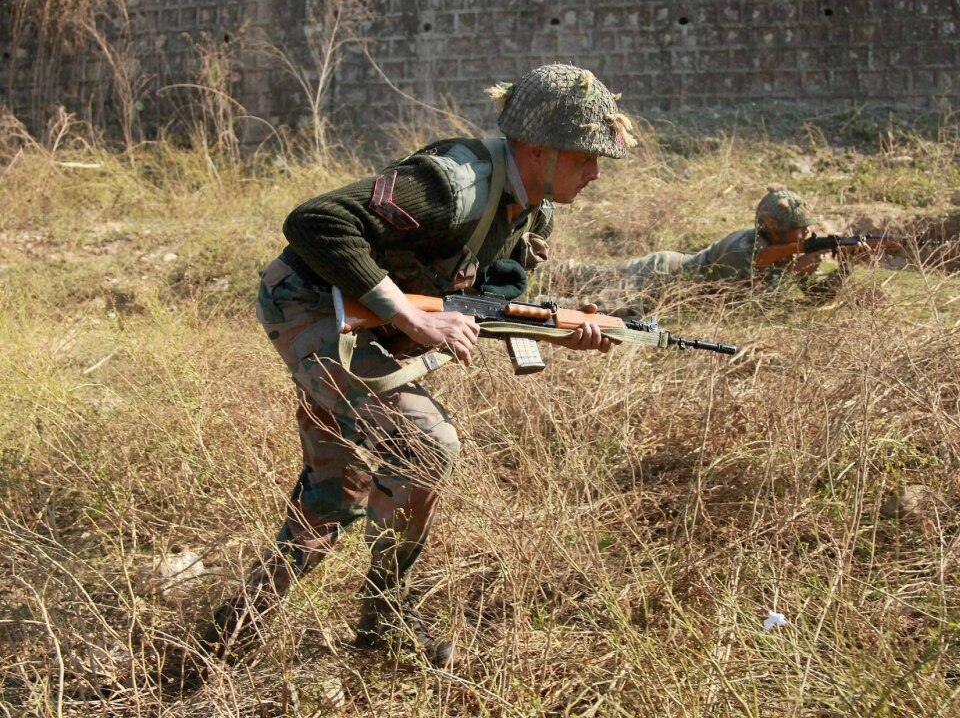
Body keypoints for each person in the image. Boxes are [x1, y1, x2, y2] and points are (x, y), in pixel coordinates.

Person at [179, 64, 637, 682]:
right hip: (313, 304)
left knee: (333, 496)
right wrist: (406, 315)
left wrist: (558, 330)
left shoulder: (531, 210)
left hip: (367, 324)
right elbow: (314, 222)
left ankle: (218, 643)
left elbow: (489, 302)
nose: (596, 172)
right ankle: (385, 611)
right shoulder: (453, 183)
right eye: (586, 157)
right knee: (427, 441)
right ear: (538, 151)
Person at [548, 187, 870, 312]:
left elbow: (813, 299)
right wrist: (796, 267)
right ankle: (535, 288)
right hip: (660, 276)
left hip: (667, 294)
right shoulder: (743, 248)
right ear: (775, 229)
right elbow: (755, 301)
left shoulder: (784, 253)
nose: (806, 234)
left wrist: (845, 267)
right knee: (590, 290)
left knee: (593, 300)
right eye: (798, 230)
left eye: (806, 229)